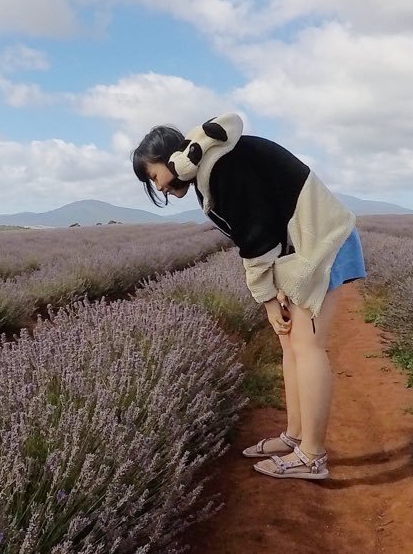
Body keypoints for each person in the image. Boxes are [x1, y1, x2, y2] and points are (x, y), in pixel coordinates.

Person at [131, 113, 366, 482]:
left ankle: (313, 456)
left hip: (322, 245)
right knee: (291, 344)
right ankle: (295, 436)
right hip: (301, 248)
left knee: (309, 347)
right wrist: (277, 290)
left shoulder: (221, 167)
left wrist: (270, 300)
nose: (157, 187)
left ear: (169, 159)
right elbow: (265, 228)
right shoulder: (212, 167)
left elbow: (256, 238)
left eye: (153, 176)